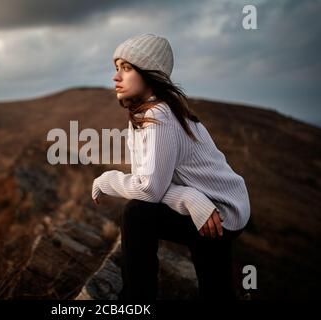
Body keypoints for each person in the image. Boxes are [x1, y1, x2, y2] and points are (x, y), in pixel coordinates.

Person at [91, 33, 251, 300]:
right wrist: (189, 197)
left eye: (127, 68)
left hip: (221, 212)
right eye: (116, 68)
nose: (115, 77)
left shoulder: (159, 115)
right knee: (217, 291)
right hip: (216, 207)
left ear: (151, 75)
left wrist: (106, 180)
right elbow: (153, 181)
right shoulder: (147, 115)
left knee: (137, 214)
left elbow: (150, 189)